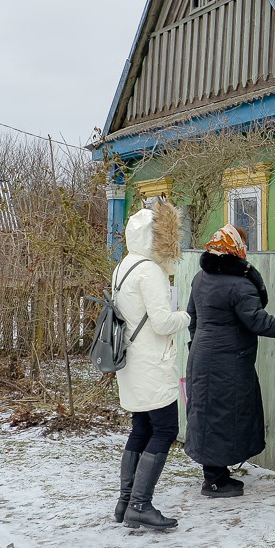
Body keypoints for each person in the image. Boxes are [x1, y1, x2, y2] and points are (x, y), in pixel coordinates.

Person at [183, 224, 275, 498]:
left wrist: (197, 345)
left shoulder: (200, 277)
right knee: (224, 414)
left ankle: (215, 474)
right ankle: (215, 481)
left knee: (207, 413)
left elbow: (192, 317)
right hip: (228, 361)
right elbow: (258, 321)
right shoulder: (239, 285)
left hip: (202, 355)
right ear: (235, 248)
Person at [112, 200, 191, 530]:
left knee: (142, 428)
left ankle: (125, 502)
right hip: (151, 363)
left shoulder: (124, 267)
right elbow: (161, 322)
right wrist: (186, 316)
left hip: (130, 363)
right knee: (166, 429)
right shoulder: (150, 271)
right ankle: (140, 505)